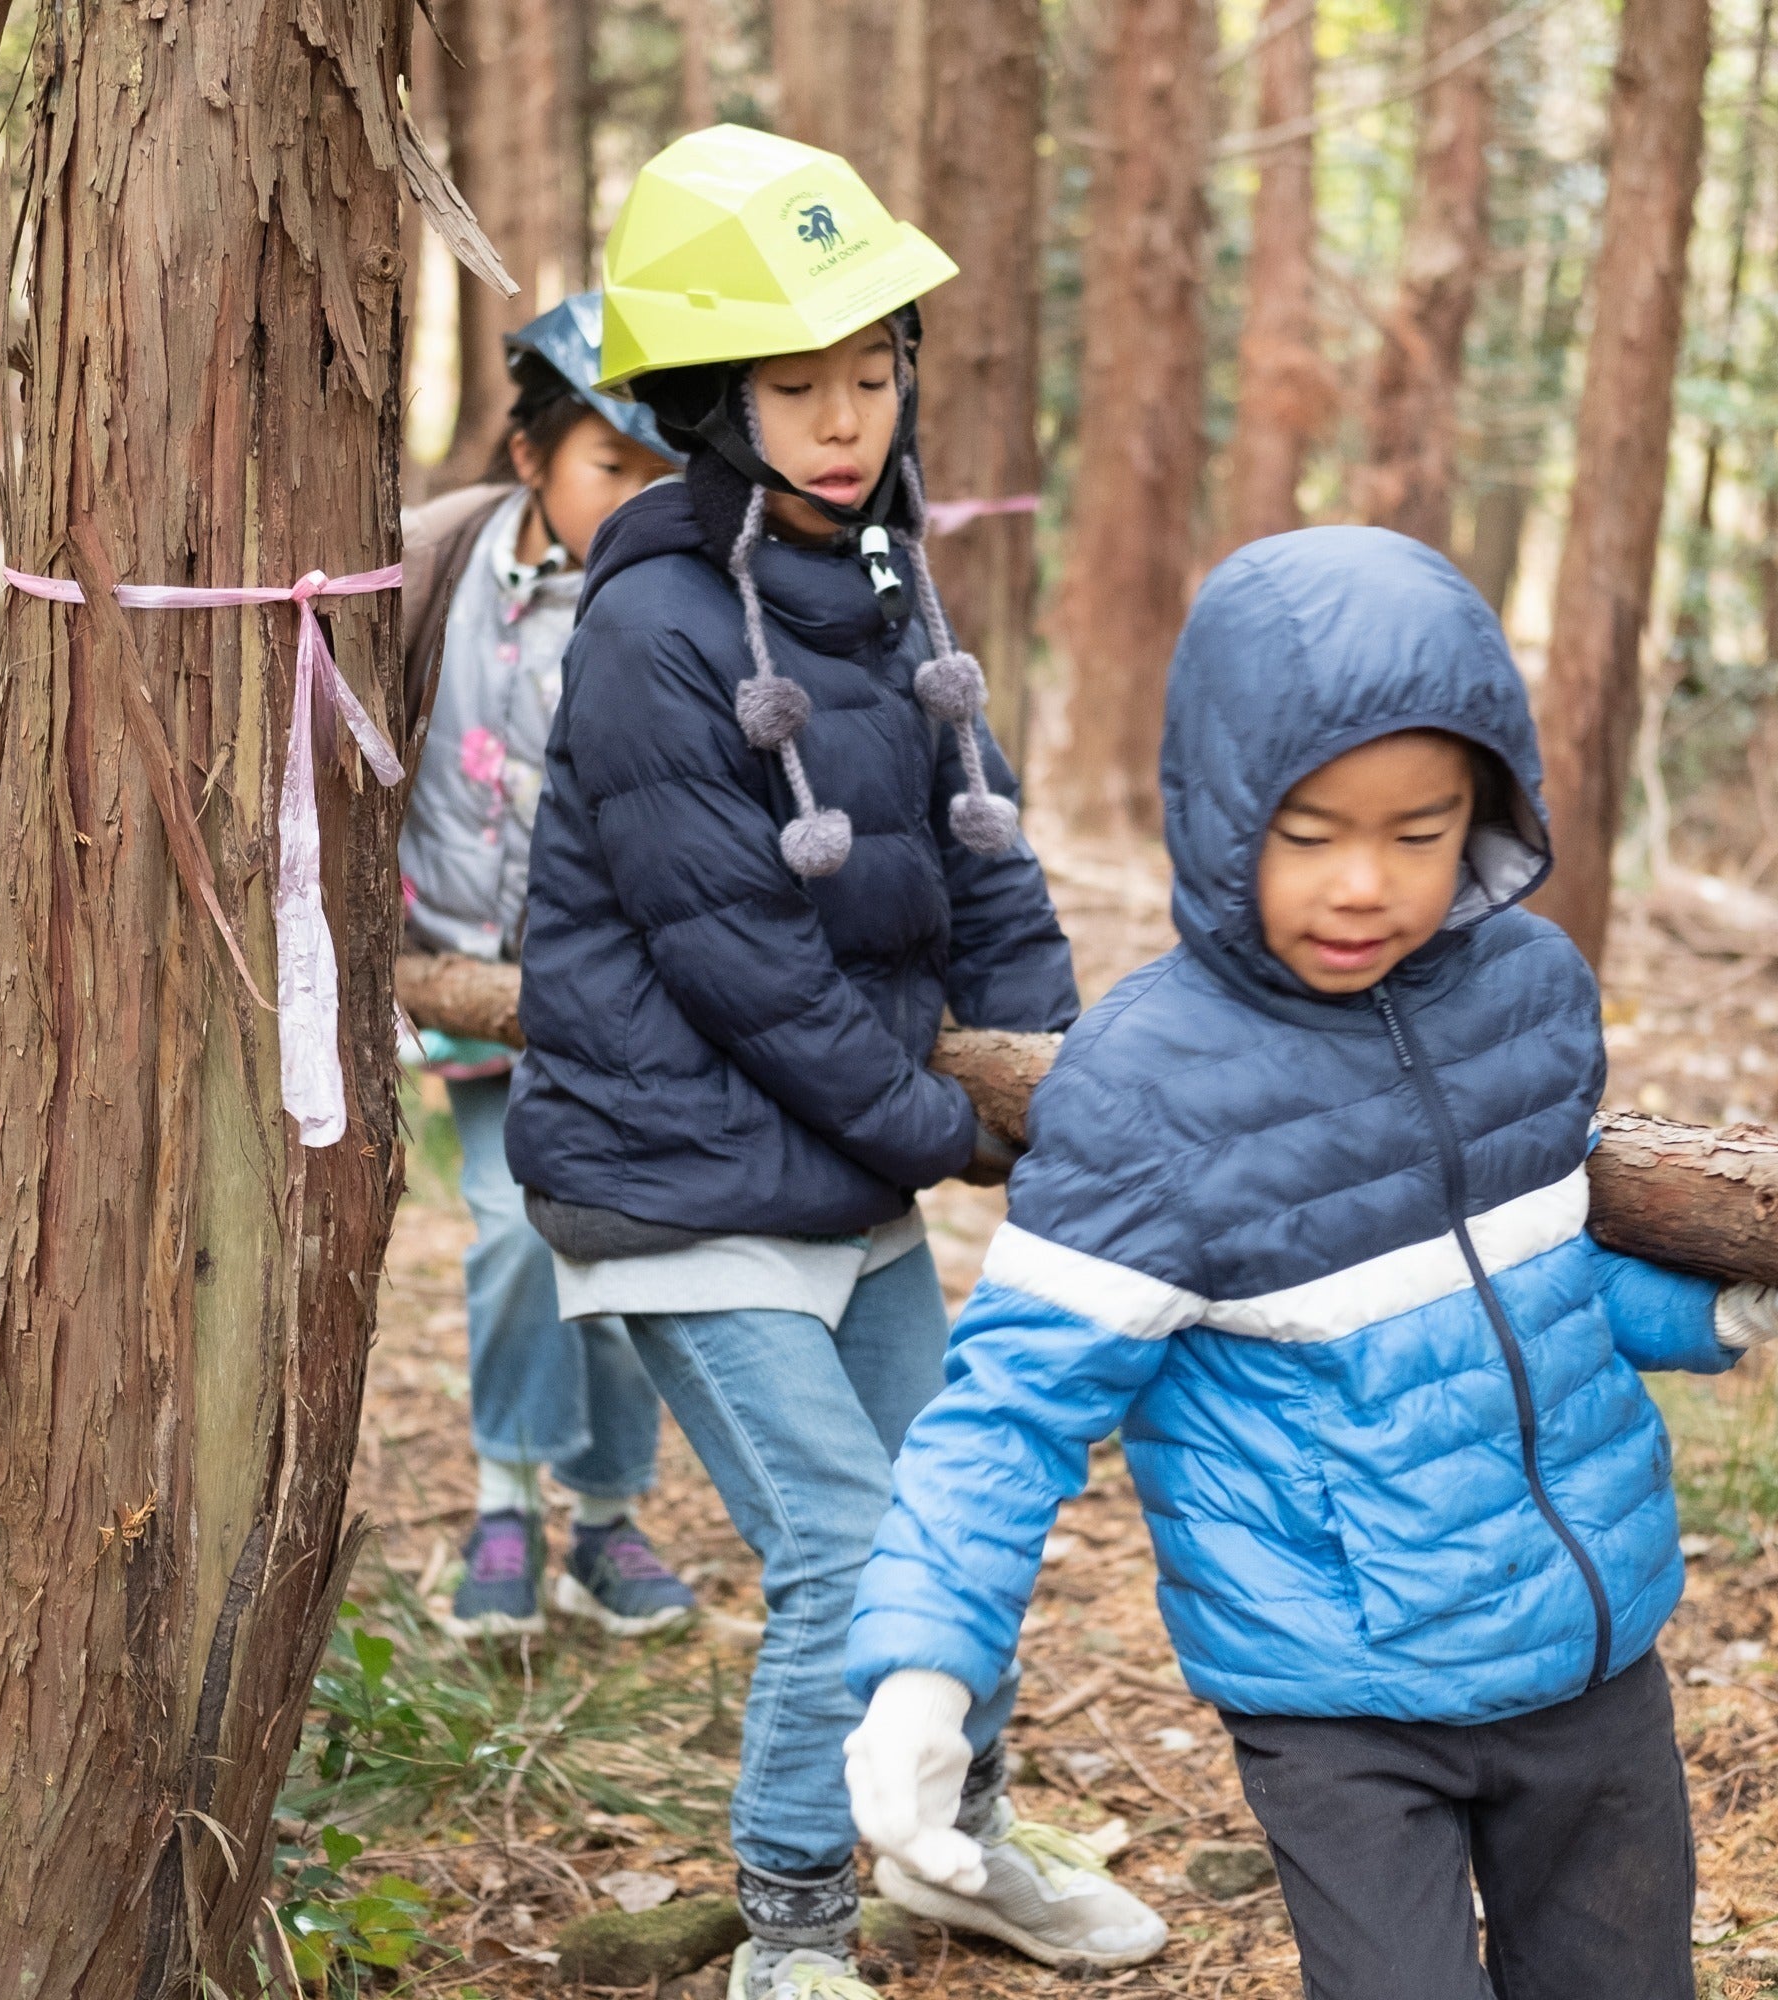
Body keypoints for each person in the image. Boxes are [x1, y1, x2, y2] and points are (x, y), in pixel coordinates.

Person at [841, 529, 1778, 2000]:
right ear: (1223, 812)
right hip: (1344, 1697)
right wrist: (924, 1669)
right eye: (1309, 835)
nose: (1366, 885)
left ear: (1486, 812)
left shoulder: (1533, 998)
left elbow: (1520, 1277)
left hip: (1589, 1651)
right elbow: (1007, 1414)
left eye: (1419, 835)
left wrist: (1704, 1307)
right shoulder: (1153, 1091)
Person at [506, 126, 1163, 1999]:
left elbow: (984, 854)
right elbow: (741, 967)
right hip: (672, 1173)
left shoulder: (889, 599)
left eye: (870, 375)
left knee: (960, 1514)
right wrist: (942, 1128)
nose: (843, 417)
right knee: (854, 1547)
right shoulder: (650, 630)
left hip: (840, 1157)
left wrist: (1057, 1083)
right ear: (714, 400)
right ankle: (792, 1931)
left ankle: (955, 1844)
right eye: (795, 386)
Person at [397, 294, 696, 1638]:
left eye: (662, 475)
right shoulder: (428, 568)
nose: (636, 501)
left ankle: (608, 1517)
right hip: (465, 976)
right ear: (533, 460)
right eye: (609, 469)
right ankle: (506, 1499)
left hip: (633, 1004)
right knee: (519, 1231)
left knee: (624, 1246)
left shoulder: (683, 609)